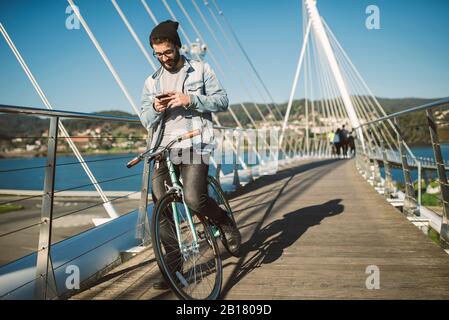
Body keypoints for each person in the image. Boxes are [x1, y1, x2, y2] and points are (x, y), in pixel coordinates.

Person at [139, 20, 241, 290]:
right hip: (162, 147)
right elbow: (144, 118)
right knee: (162, 209)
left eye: (168, 52)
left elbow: (222, 101)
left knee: (195, 199)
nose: (163, 58)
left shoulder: (202, 70)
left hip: (195, 143)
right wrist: (154, 107)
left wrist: (191, 100)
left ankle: (223, 221)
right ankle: (173, 270)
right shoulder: (151, 81)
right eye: (158, 54)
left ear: (178, 46)